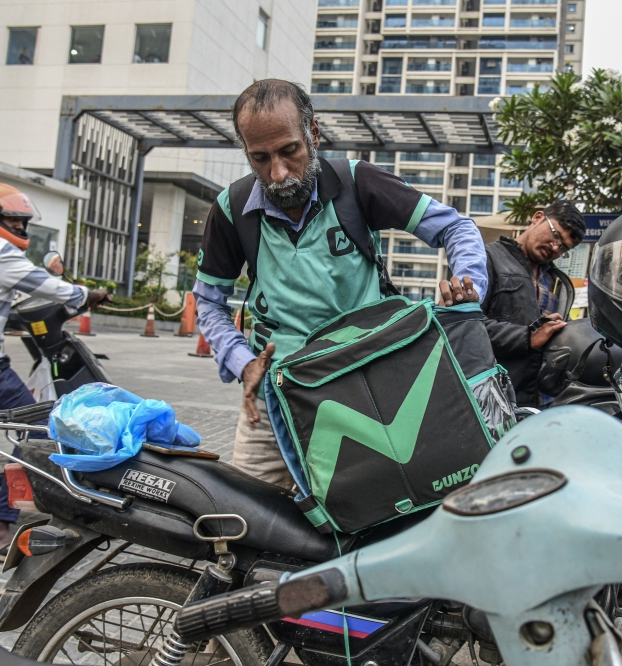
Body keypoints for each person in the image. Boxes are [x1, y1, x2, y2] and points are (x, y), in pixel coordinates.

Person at [193, 79, 487, 490]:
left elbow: (456, 228)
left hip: (368, 392)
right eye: (259, 158)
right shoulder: (231, 209)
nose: (277, 173)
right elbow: (208, 302)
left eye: (289, 151)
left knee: (381, 512)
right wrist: (244, 363)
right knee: (249, 523)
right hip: (273, 401)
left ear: (314, 133)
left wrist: (468, 286)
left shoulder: (357, 183)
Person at [0, 183, 108, 560]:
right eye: (13, 220)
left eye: (23, 222)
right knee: (38, 428)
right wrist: (86, 294)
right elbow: (43, 285)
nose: (20, 228)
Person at [482, 202, 585, 408]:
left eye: (564, 247)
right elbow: (465, 326)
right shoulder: (488, 257)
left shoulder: (557, 281)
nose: (556, 247)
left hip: (543, 402)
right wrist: (527, 337)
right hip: (495, 399)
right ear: (537, 218)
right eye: (556, 235)